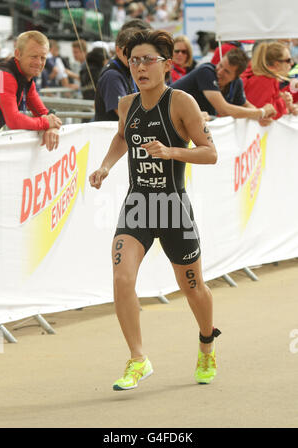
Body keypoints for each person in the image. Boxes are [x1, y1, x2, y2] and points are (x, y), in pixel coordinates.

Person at [89, 29, 221, 390]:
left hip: (173, 206)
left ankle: (207, 342)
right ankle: (138, 358)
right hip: (138, 204)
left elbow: (210, 153)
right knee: (121, 278)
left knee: (192, 287)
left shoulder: (181, 102)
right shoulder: (127, 103)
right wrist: (105, 166)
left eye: (148, 60)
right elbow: (122, 136)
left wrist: (172, 151)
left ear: (166, 64)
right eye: (133, 61)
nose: (140, 67)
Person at [171, 48, 276, 124]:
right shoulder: (206, 72)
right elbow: (223, 109)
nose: (220, 72)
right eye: (220, 65)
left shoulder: (237, 83)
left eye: (226, 71)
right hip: (165, 113)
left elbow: (246, 106)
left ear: (235, 76)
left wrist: (262, 117)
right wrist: (261, 112)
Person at [0, 31, 62, 151]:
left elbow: (44, 113)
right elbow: (14, 121)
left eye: (43, 57)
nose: (39, 63)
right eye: (33, 56)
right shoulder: (2, 76)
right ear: (18, 54)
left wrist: (52, 127)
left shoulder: (26, 79)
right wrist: (47, 123)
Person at [242, 41, 298, 118]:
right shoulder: (264, 81)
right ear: (276, 64)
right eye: (288, 60)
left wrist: (288, 107)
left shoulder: (266, 79)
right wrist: (283, 103)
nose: (292, 63)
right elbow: (264, 117)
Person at [94, 27, 138, 121]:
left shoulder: (128, 68)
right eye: (128, 52)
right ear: (118, 50)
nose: (133, 56)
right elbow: (126, 115)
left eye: (137, 52)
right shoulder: (112, 76)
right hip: (109, 133)